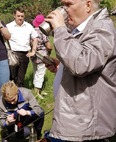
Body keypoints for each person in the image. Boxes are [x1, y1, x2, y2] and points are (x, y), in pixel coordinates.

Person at [43, 0, 116, 141]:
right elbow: (87, 62)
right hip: (78, 121)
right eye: (63, 4)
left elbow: (81, 64)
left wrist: (59, 29)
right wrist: (61, 68)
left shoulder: (102, 28)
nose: (63, 9)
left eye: (68, 4)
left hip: (88, 129)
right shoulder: (83, 28)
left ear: (87, 5)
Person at [6, 7, 38, 87]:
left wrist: (33, 51)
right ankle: (10, 97)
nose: (20, 18)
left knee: (21, 78)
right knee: (11, 78)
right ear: (14, 15)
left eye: (22, 16)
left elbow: (35, 38)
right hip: (13, 54)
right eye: (18, 16)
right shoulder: (9, 26)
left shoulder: (28, 26)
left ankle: (19, 96)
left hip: (25, 55)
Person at [31, 14, 52, 98]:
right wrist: (48, 54)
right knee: (40, 73)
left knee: (35, 72)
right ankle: (37, 93)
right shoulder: (43, 32)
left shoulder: (31, 31)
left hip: (33, 55)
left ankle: (35, 89)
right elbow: (49, 46)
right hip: (42, 56)